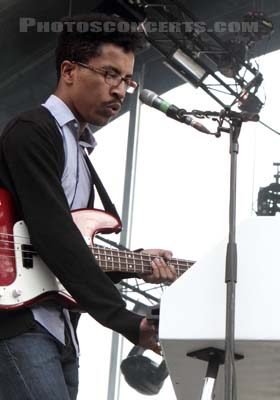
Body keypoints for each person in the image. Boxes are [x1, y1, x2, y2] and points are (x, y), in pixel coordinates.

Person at [0, 13, 177, 400]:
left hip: (60, 330)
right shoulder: (33, 131)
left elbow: (60, 256)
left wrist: (133, 264)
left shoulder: (80, 154)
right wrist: (127, 321)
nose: (120, 90)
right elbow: (54, 235)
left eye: (127, 81)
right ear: (68, 71)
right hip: (17, 324)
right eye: (110, 74)